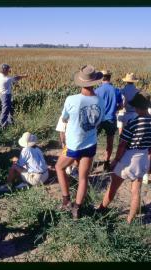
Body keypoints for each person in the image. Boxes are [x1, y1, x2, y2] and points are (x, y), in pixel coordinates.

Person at [97, 93, 151, 224]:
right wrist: (147, 151)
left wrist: (115, 160)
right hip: (143, 158)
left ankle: (102, 209)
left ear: (137, 107)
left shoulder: (134, 122)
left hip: (128, 158)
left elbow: (122, 145)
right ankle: (130, 220)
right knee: (136, 191)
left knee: (113, 186)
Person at [55, 65, 105, 220]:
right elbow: (99, 121)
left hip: (74, 145)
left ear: (81, 82)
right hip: (90, 144)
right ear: (95, 82)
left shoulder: (72, 99)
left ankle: (66, 201)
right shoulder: (100, 101)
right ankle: (77, 209)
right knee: (83, 177)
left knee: (59, 167)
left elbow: (64, 118)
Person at [95, 70, 123, 171]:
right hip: (111, 118)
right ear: (109, 78)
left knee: (93, 140)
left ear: (101, 78)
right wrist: (114, 109)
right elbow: (121, 105)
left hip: (98, 119)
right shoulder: (116, 90)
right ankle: (106, 163)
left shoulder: (97, 91)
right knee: (110, 141)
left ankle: (90, 161)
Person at [0, 63, 27, 128]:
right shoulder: (7, 79)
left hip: (1, 94)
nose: (9, 71)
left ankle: (11, 122)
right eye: (8, 70)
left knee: (10, 108)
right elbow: (17, 78)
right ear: (5, 70)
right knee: (5, 109)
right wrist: (24, 76)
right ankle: (1, 125)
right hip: (6, 96)